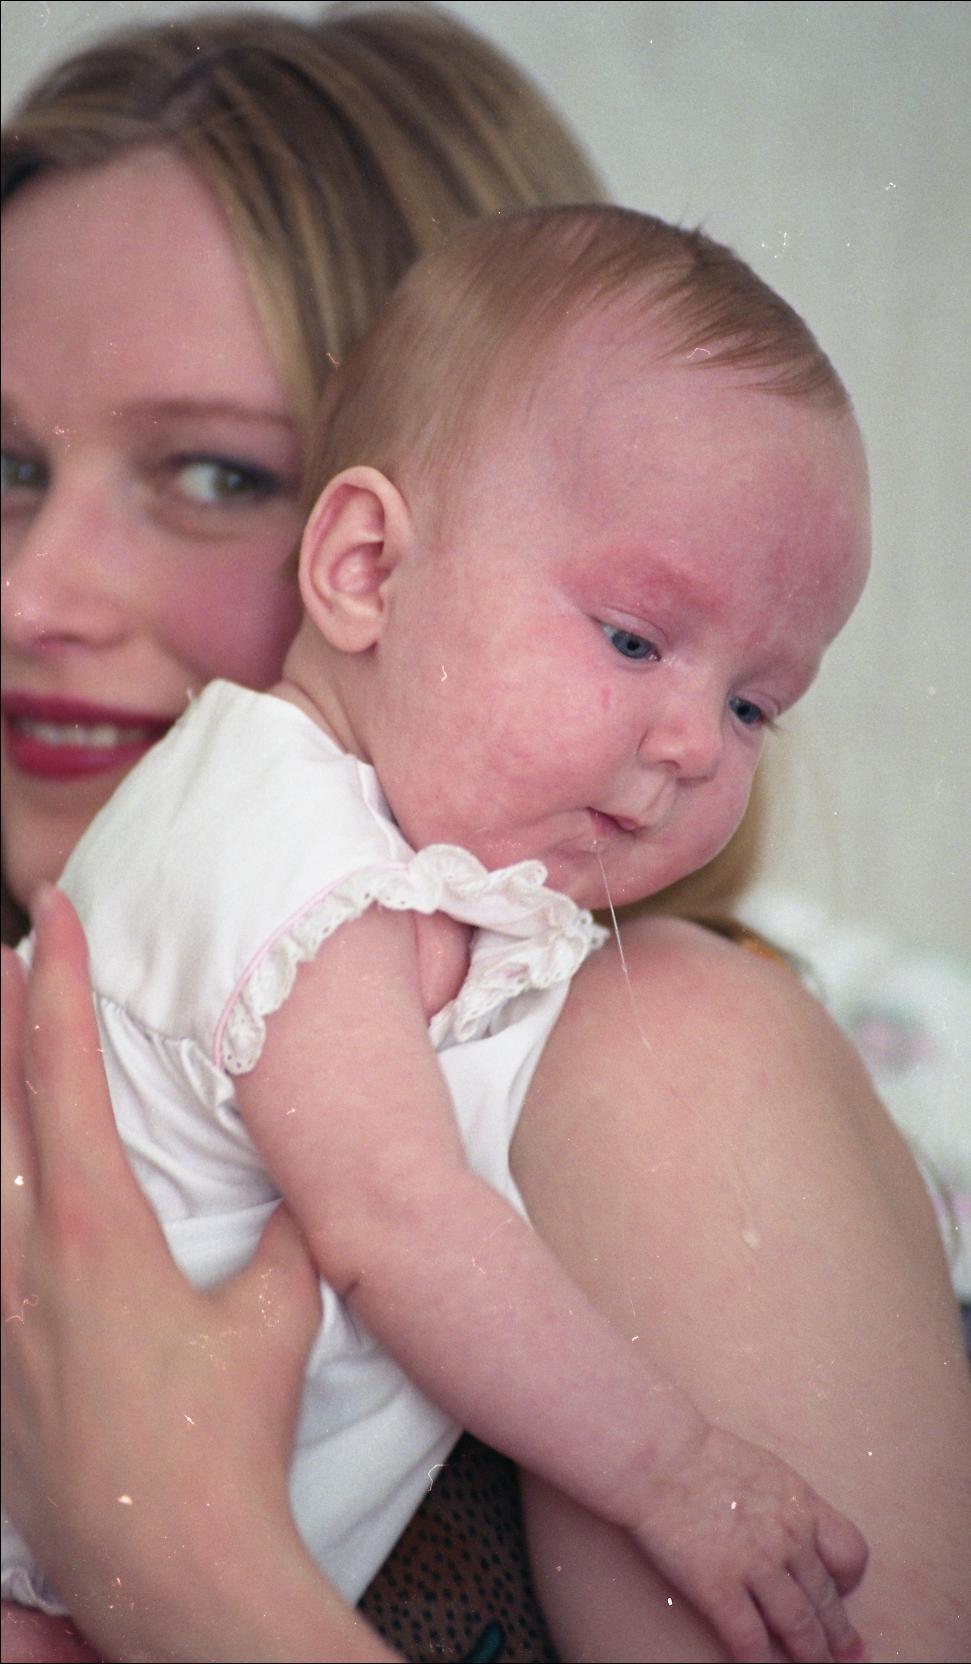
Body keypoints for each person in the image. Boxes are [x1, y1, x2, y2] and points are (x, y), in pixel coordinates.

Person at [2, 9, 969, 1664]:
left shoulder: (658, 1063)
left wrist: (199, 1585)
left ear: (363, 555)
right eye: (4, 462)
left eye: (218, 476)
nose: (33, 594)